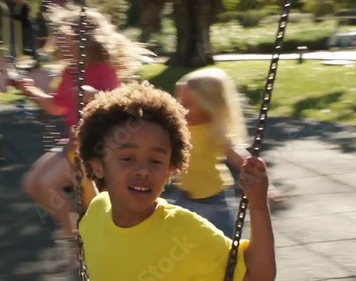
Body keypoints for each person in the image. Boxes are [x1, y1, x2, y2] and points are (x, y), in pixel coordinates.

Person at [75, 81, 276, 281]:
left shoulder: (186, 235)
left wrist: (258, 206)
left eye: (156, 161)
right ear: (97, 166)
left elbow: (257, 277)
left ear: (170, 170)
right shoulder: (97, 210)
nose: (144, 171)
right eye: (128, 159)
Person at [19, 3, 152, 245]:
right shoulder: (71, 71)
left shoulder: (104, 70)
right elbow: (56, 106)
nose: (58, 44)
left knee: (51, 184)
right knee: (33, 183)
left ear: (84, 41)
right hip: (73, 141)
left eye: (64, 39)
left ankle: (81, 238)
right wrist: (31, 91)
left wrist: (94, 95)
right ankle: (76, 232)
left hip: (98, 144)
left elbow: (117, 109)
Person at [172, 68, 286, 237]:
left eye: (187, 104)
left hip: (212, 200)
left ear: (208, 105)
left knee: (219, 244)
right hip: (183, 196)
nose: (180, 107)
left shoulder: (214, 131)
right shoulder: (181, 126)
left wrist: (266, 188)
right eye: (179, 101)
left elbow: (239, 156)